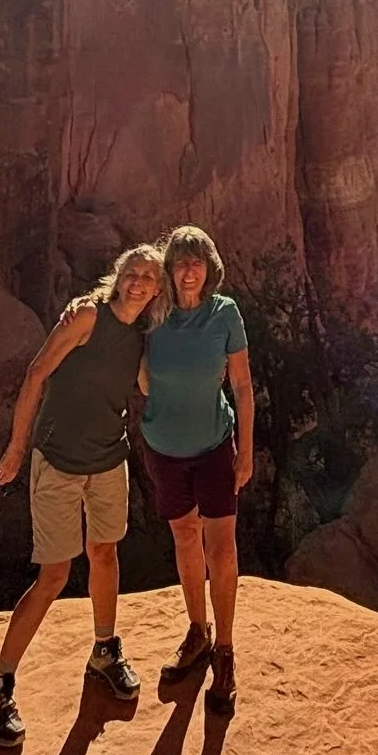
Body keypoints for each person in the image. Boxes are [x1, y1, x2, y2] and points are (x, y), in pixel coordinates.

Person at [0, 241, 165, 746]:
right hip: (57, 462)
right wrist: (17, 448)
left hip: (107, 461)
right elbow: (37, 373)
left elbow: (151, 386)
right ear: (118, 276)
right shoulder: (86, 318)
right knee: (55, 575)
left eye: (150, 277)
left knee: (104, 553)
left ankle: (105, 649)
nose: (139, 282)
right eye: (133, 272)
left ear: (157, 290)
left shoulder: (145, 338)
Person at [138, 223, 254, 717]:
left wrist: (245, 451)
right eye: (180, 261)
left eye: (196, 261)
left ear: (209, 270)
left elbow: (243, 387)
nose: (188, 270)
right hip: (164, 448)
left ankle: (224, 650)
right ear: (169, 269)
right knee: (185, 538)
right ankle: (197, 633)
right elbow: (136, 370)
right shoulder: (154, 316)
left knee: (221, 546)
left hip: (212, 446)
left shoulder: (225, 314)